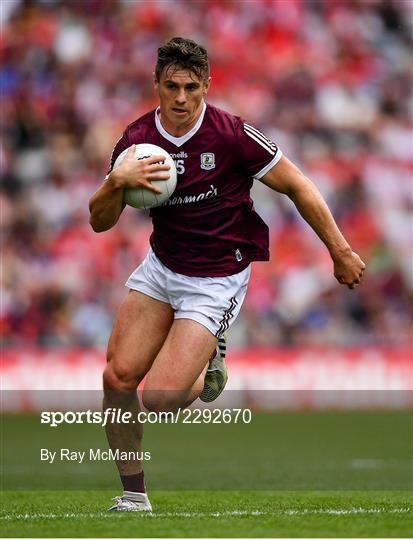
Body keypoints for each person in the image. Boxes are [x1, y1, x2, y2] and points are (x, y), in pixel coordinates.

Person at [88, 37, 366, 512]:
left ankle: (209, 358)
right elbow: (98, 220)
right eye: (171, 86)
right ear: (156, 83)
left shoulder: (232, 134)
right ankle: (134, 496)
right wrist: (116, 182)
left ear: (206, 86)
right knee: (117, 378)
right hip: (162, 266)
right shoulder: (135, 142)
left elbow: (297, 184)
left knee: (159, 399)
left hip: (215, 279)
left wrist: (339, 250)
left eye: (191, 88)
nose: (180, 98)